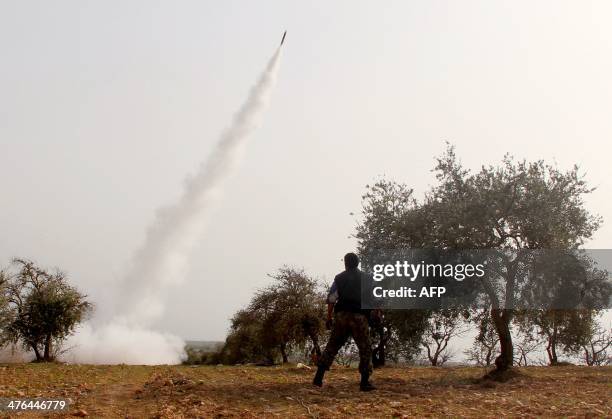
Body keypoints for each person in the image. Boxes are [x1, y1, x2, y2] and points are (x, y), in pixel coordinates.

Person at [313, 252, 375, 391]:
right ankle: (364, 382)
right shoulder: (367, 278)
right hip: (359, 317)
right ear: (358, 263)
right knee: (365, 348)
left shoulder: (339, 278)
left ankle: (318, 378)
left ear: (345, 263)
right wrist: (375, 314)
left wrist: (329, 317)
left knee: (332, 346)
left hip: (342, 316)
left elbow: (332, 299)